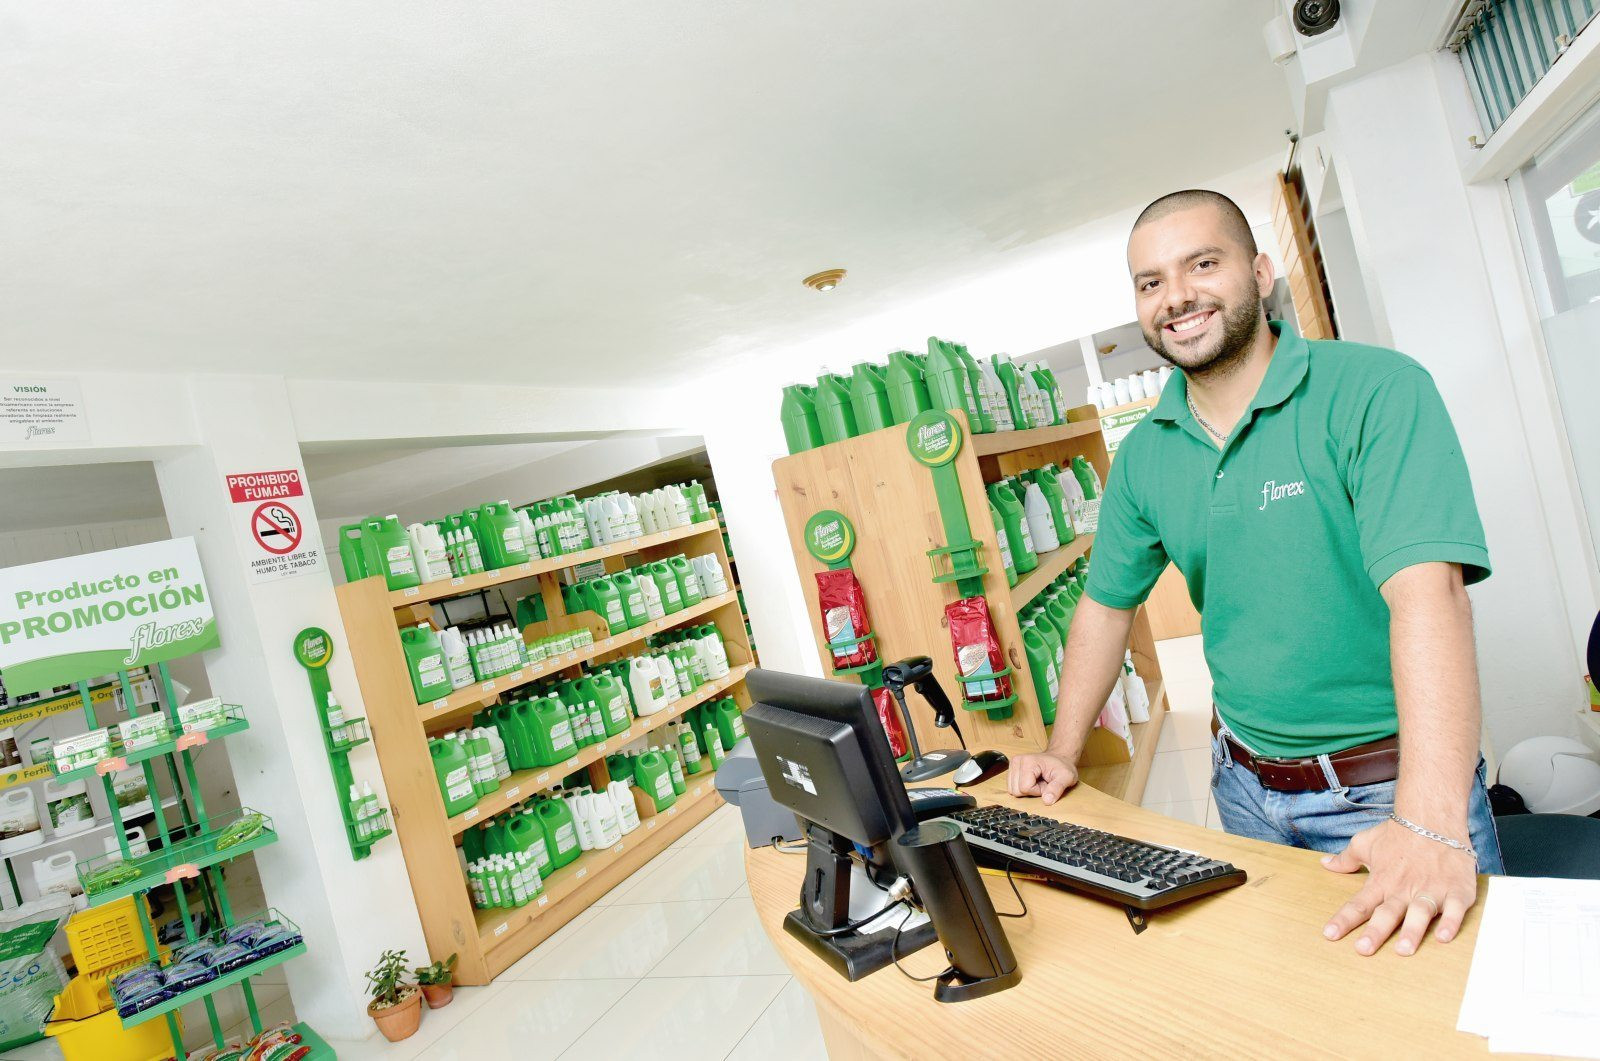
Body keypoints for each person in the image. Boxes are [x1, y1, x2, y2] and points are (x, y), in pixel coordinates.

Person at [1007, 189, 1502, 959]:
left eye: (1203, 264)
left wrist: (1429, 821)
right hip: (1240, 787)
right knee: (1290, 999)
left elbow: (1429, 596)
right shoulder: (1145, 454)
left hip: (1390, 790)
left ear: (1261, 272)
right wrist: (1064, 751)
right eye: (1150, 282)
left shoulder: (1375, 390)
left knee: (1450, 1008)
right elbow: (1105, 608)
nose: (1176, 296)